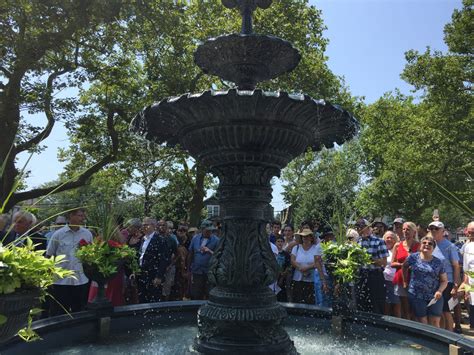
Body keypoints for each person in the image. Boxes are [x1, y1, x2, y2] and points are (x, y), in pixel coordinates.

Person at [46, 208, 92, 315]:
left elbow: (90, 255)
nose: (83, 218)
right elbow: (49, 255)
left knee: (79, 311)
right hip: (61, 280)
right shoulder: (58, 234)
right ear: (71, 216)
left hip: (81, 280)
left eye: (83, 215)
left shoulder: (87, 234)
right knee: (59, 311)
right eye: (80, 215)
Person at [402, 235, 448, 327]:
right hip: (416, 294)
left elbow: (444, 281)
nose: (427, 245)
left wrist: (439, 291)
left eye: (430, 244)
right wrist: (405, 281)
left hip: (434, 295)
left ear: (433, 248)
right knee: (422, 320)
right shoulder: (413, 257)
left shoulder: (438, 262)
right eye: (424, 243)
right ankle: (426, 340)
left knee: (435, 321)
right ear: (420, 245)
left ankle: (436, 340)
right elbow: (404, 266)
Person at [430, 221, 460, 332]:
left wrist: (455, 286)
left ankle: (450, 335)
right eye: (431, 228)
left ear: (443, 231)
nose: (433, 231)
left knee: (446, 311)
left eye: (436, 229)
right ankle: (442, 334)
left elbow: (456, 266)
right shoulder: (430, 244)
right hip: (434, 283)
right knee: (438, 311)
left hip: (448, 282)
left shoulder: (449, 246)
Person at [136, 217, 175, 303]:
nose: (143, 227)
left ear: (153, 226)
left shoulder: (160, 240)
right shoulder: (143, 239)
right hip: (142, 274)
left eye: (146, 225)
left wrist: (159, 276)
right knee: (142, 298)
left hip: (153, 275)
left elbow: (164, 259)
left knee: (153, 299)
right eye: (143, 225)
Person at [356, 218, 388, 314]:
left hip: (375, 275)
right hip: (361, 275)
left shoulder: (379, 241)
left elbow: (384, 262)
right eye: (357, 227)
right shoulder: (357, 242)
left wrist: (369, 260)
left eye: (361, 227)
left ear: (368, 227)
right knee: (361, 301)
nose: (359, 229)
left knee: (375, 303)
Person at [391, 221, 420, 319]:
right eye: (404, 229)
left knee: (414, 307)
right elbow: (392, 263)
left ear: (414, 232)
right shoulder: (397, 245)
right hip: (400, 278)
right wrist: (403, 265)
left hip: (415, 279)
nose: (405, 231)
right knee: (404, 306)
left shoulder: (419, 245)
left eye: (408, 229)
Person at [290, 229, 326, 305]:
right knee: (297, 300)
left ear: (311, 237)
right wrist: (301, 268)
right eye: (303, 236)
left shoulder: (315, 248)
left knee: (310, 301)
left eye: (307, 236)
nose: (305, 238)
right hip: (298, 278)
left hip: (311, 279)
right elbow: (292, 261)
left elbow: (318, 262)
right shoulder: (296, 248)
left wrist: (307, 268)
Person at [188, 220, 219, 300]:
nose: (209, 232)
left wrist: (209, 251)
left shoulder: (216, 240)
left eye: (210, 230)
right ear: (202, 229)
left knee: (209, 294)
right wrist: (188, 268)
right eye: (207, 230)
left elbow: (219, 256)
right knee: (196, 294)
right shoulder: (195, 238)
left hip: (209, 272)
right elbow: (190, 253)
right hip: (197, 271)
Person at [383, 231, 400, 317]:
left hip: (395, 281)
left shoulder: (398, 250)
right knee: (386, 304)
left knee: (396, 304)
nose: (389, 240)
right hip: (384, 280)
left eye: (392, 238)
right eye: (387, 238)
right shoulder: (382, 250)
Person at [461, 221, 474, 329]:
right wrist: (466, 289)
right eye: (469, 231)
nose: (469, 233)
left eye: (472, 232)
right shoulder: (467, 247)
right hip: (471, 282)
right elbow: (466, 270)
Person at [173, 224, 190, 300]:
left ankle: (183, 297)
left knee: (184, 282)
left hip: (185, 264)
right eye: (180, 230)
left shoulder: (189, 240)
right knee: (176, 283)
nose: (181, 232)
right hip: (176, 265)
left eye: (184, 230)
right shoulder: (174, 239)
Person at [275, 235, 292, 302]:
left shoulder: (286, 254)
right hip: (274, 277)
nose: (280, 243)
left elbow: (288, 266)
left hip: (283, 277)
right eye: (278, 241)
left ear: (284, 243)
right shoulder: (272, 253)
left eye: (281, 241)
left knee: (282, 294)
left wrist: (283, 275)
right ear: (275, 243)